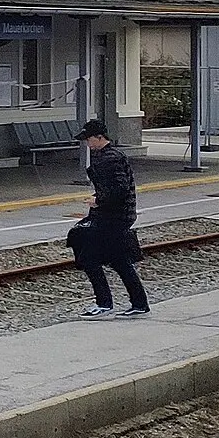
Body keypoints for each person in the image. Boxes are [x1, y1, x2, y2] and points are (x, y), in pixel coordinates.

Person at [68, 120, 148, 318]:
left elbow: (119, 189)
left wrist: (98, 200)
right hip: (114, 215)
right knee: (118, 260)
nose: (87, 143)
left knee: (89, 258)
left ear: (99, 137)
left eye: (89, 139)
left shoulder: (109, 158)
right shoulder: (108, 155)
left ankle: (105, 303)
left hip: (113, 217)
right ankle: (138, 303)